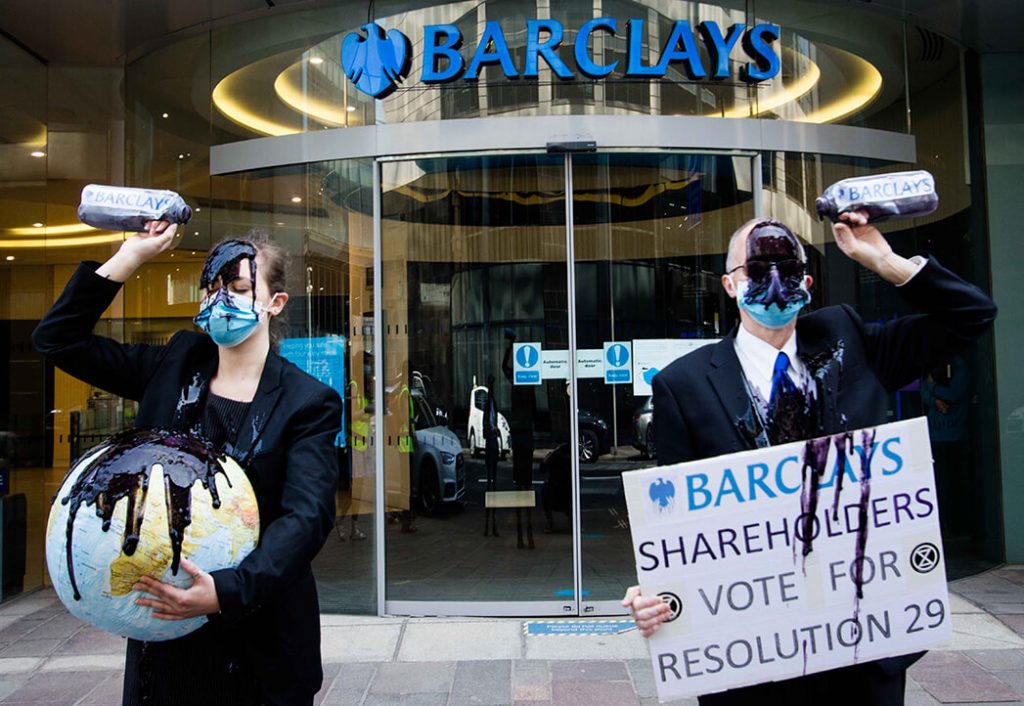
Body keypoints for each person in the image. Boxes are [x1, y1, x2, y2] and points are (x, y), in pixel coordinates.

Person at [622, 211, 997, 705]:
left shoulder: (852, 340)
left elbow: (972, 314)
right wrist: (656, 593)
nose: (773, 283)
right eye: (756, 271)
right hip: (751, 658)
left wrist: (884, 261)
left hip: (862, 649)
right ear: (730, 286)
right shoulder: (683, 385)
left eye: (787, 269)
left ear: (808, 282)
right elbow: (676, 522)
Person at [33, 222, 342, 705]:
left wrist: (226, 590)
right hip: (166, 639)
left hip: (257, 638)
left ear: (274, 303)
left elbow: (307, 516)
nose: (221, 302)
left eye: (239, 289)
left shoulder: (307, 401)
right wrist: (130, 256)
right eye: (212, 289)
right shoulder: (176, 363)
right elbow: (57, 340)